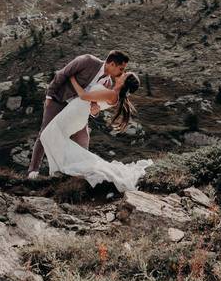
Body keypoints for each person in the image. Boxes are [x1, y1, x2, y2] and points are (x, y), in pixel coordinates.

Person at [39, 63, 151, 192]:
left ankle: (64, 169)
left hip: (76, 113)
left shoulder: (112, 94)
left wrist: (72, 79)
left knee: (48, 136)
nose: (122, 74)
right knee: (50, 137)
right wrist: (94, 106)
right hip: (77, 112)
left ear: (124, 82)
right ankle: (60, 170)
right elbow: (94, 102)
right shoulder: (112, 94)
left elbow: (83, 96)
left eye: (125, 75)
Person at [27, 50, 130, 179]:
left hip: (76, 111)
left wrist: (95, 110)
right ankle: (33, 171)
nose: (122, 72)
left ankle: (79, 173)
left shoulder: (108, 83)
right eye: (121, 68)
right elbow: (62, 74)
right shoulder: (88, 61)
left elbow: (93, 103)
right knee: (45, 132)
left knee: (83, 139)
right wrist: (49, 95)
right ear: (112, 64)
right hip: (60, 100)